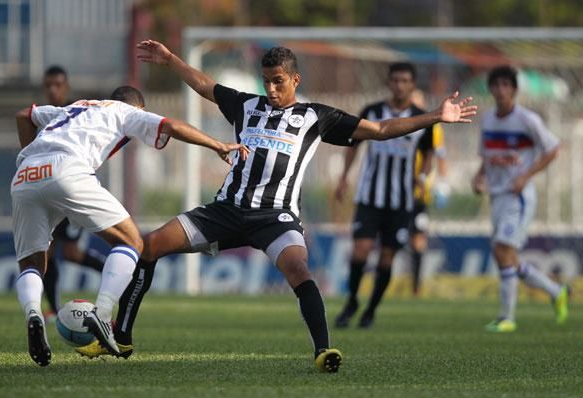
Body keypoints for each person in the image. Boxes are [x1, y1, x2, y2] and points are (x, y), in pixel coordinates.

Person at [75, 40, 476, 373]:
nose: (270, 89)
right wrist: (172, 60)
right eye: (266, 81)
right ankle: (122, 339)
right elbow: (206, 86)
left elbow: (381, 130)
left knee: (299, 269)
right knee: (149, 245)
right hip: (227, 209)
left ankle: (323, 351)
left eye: (278, 82)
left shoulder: (315, 117)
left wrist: (436, 116)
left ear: (295, 79)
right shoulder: (246, 106)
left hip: (276, 217)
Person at [12, 85, 246, 366]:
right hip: (68, 169)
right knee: (132, 242)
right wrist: (217, 145)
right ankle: (102, 311)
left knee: (32, 264)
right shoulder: (125, 112)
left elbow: (24, 115)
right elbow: (170, 125)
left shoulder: (73, 108)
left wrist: (31, 156)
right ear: (140, 108)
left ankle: (34, 314)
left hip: (26, 175)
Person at [333, 63, 435, 329]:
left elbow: (429, 154)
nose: (400, 85)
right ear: (389, 83)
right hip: (369, 197)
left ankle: (371, 309)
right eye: (396, 80)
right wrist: (344, 177)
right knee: (361, 250)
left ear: (412, 85)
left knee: (387, 256)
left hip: (401, 200)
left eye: (405, 81)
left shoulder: (421, 118)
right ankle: (352, 300)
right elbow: (353, 145)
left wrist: (422, 178)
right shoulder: (372, 112)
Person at [471, 65, 568, 333]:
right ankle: (556, 291)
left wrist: (526, 176)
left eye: (506, 85)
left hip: (519, 196)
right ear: (491, 89)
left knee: (502, 250)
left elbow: (553, 149)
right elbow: (487, 156)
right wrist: (479, 177)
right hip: (498, 195)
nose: (501, 90)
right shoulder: (488, 119)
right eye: (497, 84)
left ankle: (507, 318)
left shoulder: (527, 119)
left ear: (514, 89)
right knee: (508, 256)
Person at [40, 65, 107, 322]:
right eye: (48, 85)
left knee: (71, 253)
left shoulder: (76, 112)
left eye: (58, 85)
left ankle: (117, 274)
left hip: (71, 189)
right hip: (47, 189)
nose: (53, 90)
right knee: (46, 251)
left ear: (66, 87)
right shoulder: (44, 115)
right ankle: (55, 310)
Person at [409, 90, 450, 297]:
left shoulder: (432, 127)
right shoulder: (399, 124)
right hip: (397, 190)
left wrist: (442, 183)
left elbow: (440, 155)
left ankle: (416, 287)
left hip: (420, 192)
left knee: (418, 236)